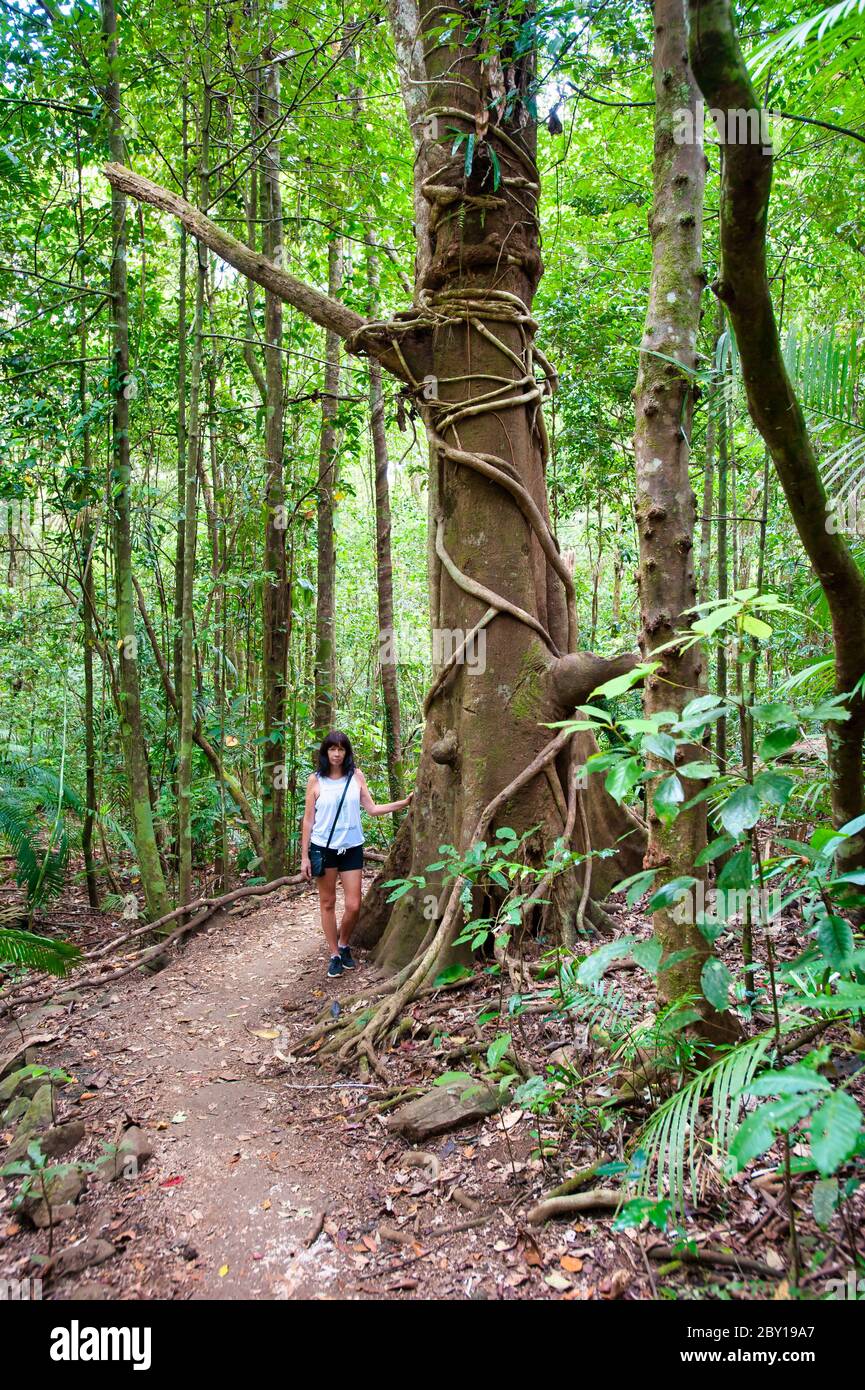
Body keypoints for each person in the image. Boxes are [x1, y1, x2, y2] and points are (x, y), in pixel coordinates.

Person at [301, 730, 412, 978]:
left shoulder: (356, 777)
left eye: (341, 749)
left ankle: (343, 943)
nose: (337, 754)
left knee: (354, 904)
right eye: (332, 749)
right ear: (325, 752)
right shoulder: (315, 780)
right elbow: (308, 821)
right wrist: (305, 857)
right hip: (323, 848)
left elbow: (372, 809)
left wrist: (404, 803)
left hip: (351, 847)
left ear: (347, 752)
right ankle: (334, 955)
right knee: (327, 903)